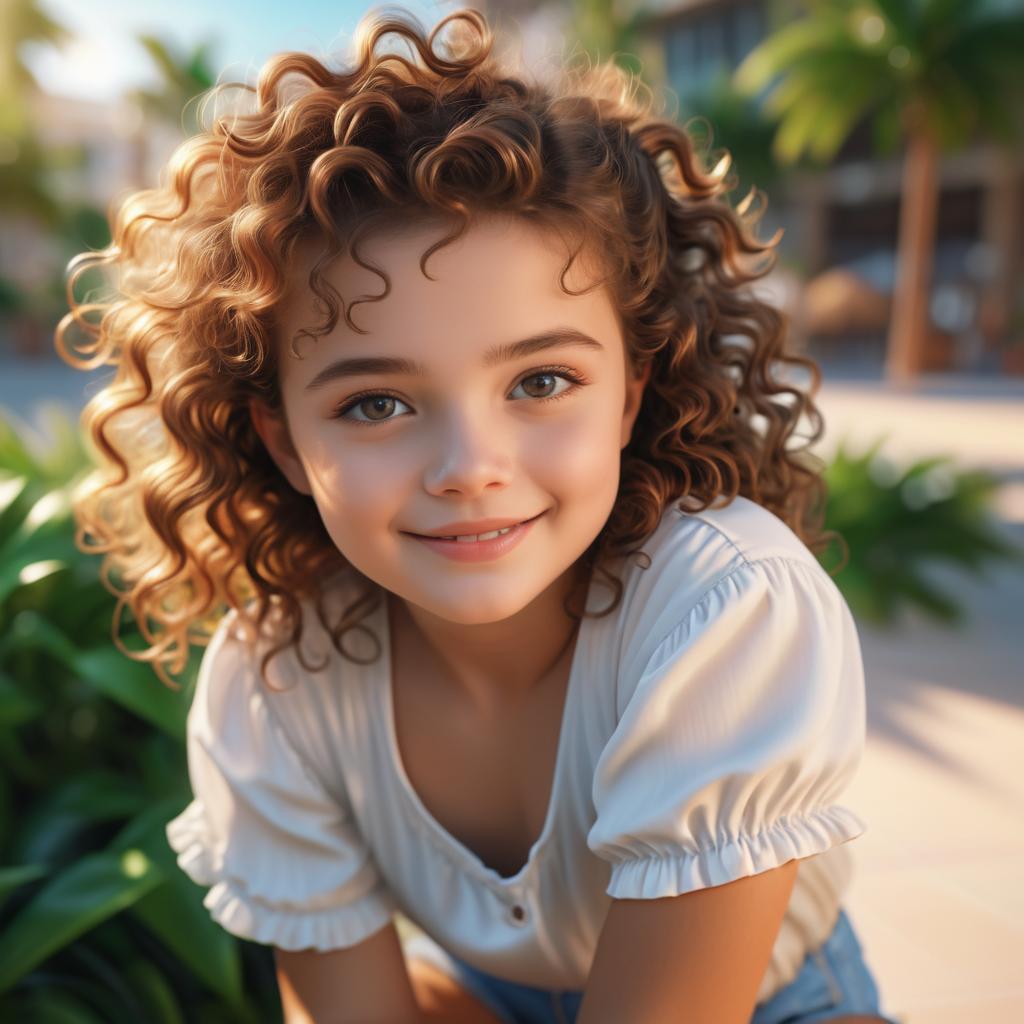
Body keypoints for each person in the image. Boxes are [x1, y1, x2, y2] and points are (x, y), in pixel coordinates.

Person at [56, 5, 900, 1023]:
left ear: (629, 390)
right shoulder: (278, 680)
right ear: (283, 440)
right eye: (376, 404)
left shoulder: (723, 610)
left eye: (541, 380)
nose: (469, 468)